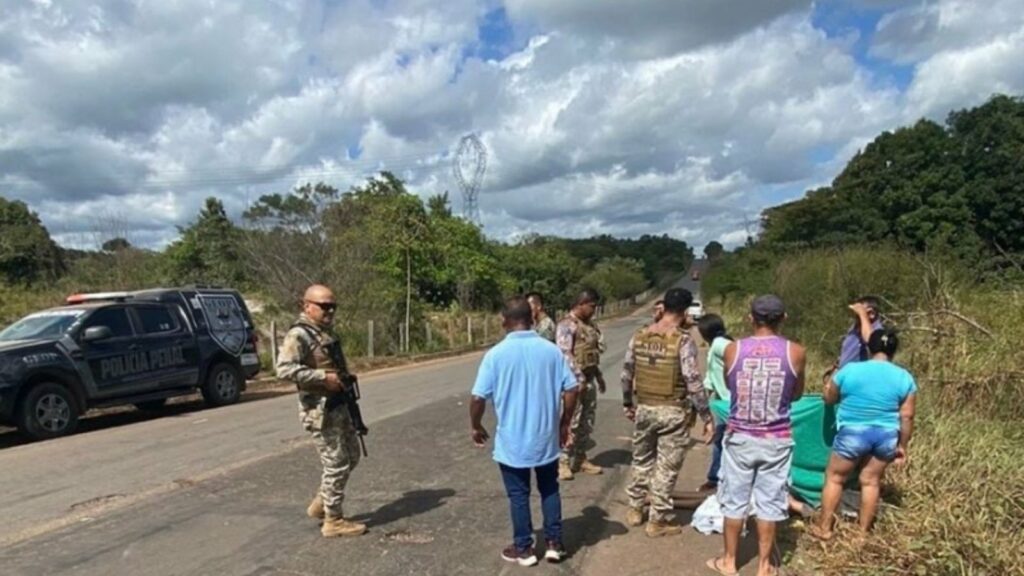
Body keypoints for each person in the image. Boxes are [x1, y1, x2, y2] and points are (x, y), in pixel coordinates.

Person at [470, 296, 580, 566]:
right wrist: (564, 423)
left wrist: (476, 425)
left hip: (513, 442)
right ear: (532, 319)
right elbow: (572, 388)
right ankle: (554, 543)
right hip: (545, 438)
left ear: (504, 321)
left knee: (518, 495)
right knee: (549, 489)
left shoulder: (495, 355)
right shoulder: (552, 351)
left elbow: (477, 398)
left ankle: (524, 548)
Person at [707, 294, 806, 576]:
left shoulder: (732, 350)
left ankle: (729, 561)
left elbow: (730, 384)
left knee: (734, 500)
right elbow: (796, 392)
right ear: (783, 318)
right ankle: (764, 566)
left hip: (740, 436)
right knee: (770, 502)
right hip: (776, 438)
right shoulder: (796, 352)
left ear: (751, 318)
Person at [276, 284, 366, 538]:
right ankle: (333, 520)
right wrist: (321, 377)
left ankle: (323, 503)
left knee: (352, 456)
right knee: (336, 463)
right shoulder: (299, 335)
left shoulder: (323, 332)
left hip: (339, 405)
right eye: (324, 306)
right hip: (320, 410)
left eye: (332, 306)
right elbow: (283, 369)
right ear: (307, 306)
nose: (329, 311)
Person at [620, 288, 710, 537]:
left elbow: (626, 373)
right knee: (666, 467)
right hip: (673, 411)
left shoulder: (640, 336)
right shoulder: (682, 340)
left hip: (645, 408)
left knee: (641, 460)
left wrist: (628, 403)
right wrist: (706, 416)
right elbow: (693, 380)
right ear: (685, 311)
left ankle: (636, 508)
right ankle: (657, 519)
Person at [811, 329, 917, 540]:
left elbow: (829, 399)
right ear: (894, 351)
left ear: (869, 348)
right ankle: (862, 534)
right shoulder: (904, 377)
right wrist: (902, 446)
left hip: (853, 432)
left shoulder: (850, 370)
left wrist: (831, 381)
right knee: (870, 482)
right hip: (886, 436)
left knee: (835, 478)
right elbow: (907, 417)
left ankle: (824, 528)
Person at [556, 288, 606, 481]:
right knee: (571, 422)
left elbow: (592, 354)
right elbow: (565, 354)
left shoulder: (590, 325)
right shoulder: (567, 325)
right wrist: (579, 378)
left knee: (587, 422)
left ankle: (580, 458)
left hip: (589, 380)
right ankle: (563, 461)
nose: (594, 309)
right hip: (573, 384)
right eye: (591, 306)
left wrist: (598, 376)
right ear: (580, 304)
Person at [696, 313, 732, 492]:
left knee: (725, 441)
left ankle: (718, 478)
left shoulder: (720, 344)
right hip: (723, 402)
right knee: (720, 439)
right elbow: (711, 378)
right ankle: (715, 477)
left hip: (730, 402)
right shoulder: (715, 345)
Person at [837, 297, 883, 370]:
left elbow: (871, 339)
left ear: (872, 313)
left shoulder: (877, 330)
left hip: (858, 376)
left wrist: (862, 314)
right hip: (843, 373)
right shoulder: (855, 327)